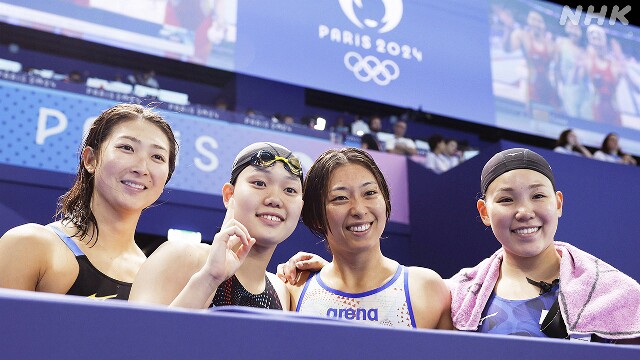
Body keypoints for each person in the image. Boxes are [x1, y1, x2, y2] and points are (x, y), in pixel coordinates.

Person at [448, 148, 640, 343]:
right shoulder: (454, 297)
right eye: (506, 199)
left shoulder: (617, 294)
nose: (524, 212)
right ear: (484, 212)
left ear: (558, 204)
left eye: (538, 196)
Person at [0, 103, 179, 300]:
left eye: (157, 157)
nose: (142, 168)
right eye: (127, 148)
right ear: (90, 160)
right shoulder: (29, 245)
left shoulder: (153, 278)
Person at [281, 148, 452, 329]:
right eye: (340, 198)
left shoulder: (427, 289)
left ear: (385, 200)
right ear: (315, 217)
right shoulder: (294, 290)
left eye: (369, 193)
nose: (359, 210)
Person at [129, 142, 303, 309]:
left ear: (300, 207)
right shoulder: (180, 257)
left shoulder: (281, 292)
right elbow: (136, 336)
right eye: (259, 183)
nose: (275, 199)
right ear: (229, 195)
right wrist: (209, 278)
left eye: (289, 190)